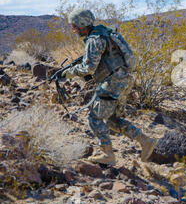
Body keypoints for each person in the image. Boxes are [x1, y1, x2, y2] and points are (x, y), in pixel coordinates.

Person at [62, 9, 156, 166]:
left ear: (82, 24)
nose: (74, 29)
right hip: (124, 80)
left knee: (94, 118)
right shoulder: (105, 32)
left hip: (112, 83)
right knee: (112, 120)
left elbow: (88, 68)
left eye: (74, 26)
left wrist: (67, 74)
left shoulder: (94, 39)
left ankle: (108, 155)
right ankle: (146, 141)